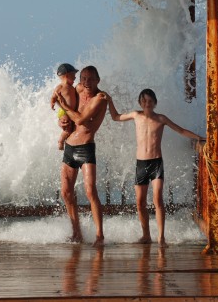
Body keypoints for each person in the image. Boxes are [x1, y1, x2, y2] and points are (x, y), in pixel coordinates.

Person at [108, 88, 204, 246]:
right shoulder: (135, 115)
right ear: (140, 102)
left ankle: (161, 237)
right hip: (141, 164)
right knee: (140, 202)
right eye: (144, 101)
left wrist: (198, 137)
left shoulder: (161, 118)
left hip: (156, 163)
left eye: (150, 101)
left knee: (157, 200)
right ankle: (146, 235)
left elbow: (180, 130)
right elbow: (115, 117)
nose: (147, 103)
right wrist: (110, 101)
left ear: (155, 103)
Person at [55, 65, 108, 247]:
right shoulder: (78, 89)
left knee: (90, 191)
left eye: (91, 79)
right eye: (83, 78)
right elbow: (63, 95)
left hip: (86, 148)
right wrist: (61, 118)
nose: (86, 82)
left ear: (98, 80)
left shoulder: (99, 98)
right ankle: (76, 232)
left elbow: (79, 119)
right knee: (66, 191)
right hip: (70, 145)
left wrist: (64, 106)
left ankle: (100, 235)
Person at [50, 63, 80, 150]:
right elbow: (53, 97)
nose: (75, 78)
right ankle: (61, 141)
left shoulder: (72, 87)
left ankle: (67, 141)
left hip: (69, 112)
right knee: (67, 127)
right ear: (67, 75)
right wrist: (52, 103)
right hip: (64, 112)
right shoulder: (60, 87)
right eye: (73, 75)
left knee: (70, 128)